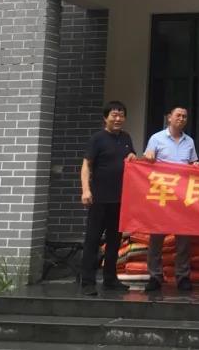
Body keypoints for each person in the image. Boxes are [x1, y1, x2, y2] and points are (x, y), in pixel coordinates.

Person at [141, 105, 199, 292]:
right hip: (161, 195)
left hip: (182, 197)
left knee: (183, 239)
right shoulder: (156, 138)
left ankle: (182, 276)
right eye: (178, 115)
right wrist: (147, 157)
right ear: (169, 118)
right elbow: (147, 161)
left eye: (184, 116)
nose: (181, 119)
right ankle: (155, 276)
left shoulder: (189, 141)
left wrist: (196, 165)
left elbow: (193, 163)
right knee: (156, 238)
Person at [79, 101, 135, 296]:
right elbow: (86, 165)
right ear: (105, 118)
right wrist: (86, 190)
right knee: (92, 240)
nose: (118, 119)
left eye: (121, 115)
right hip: (99, 198)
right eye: (114, 115)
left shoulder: (126, 138)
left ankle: (110, 279)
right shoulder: (97, 139)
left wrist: (134, 157)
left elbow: (132, 159)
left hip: (120, 199)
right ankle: (87, 282)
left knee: (114, 241)